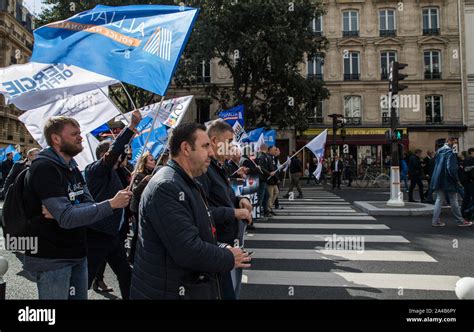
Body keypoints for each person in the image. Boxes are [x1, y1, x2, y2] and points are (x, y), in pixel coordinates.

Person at [130, 122, 251, 299]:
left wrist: (221, 246)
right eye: (205, 146)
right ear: (186, 148)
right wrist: (228, 256)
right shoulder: (167, 187)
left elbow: (198, 230)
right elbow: (187, 250)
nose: (211, 152)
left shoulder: (187, 181)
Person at [23, 116, 132, 299]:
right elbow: (67, 217)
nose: (80, 137)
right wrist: (111, 204)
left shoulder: (72, 167)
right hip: (53, 259)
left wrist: (69, 209)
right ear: (56, 139)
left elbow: (87, 204)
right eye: (74, 134)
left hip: (78, 253)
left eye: (80, 133)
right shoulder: (45, 167)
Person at [84, 110, 142, 300]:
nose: (122, 157)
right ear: (105, 155)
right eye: (118, 155)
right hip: (95, 235)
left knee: (126, 274)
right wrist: (131, 128)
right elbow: (114, 152)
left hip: (113, 236)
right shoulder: (94, 171)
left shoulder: (116, 173)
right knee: (83, 280)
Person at [197, 119, 253, 299]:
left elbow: (226, 198)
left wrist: (240, 199)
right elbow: (201, 212)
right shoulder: (204, 170)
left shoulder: (219, 168)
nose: (233, 146)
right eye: (229, 141)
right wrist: (235, 212)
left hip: (229, 244)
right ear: (214, 141)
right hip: (217, 247)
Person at [430, 137, 472, 227]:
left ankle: (435, 221)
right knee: (454, 201)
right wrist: (456, 180)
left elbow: (435, 164)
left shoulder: (439, 151)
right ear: (450, 141)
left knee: (439, 200)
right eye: (454, 142)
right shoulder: (451, 153)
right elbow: (451, 168)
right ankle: (460, 220)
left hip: (439, 179)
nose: (455, 144)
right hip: (448, 180)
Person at [129, 151, 156, 265]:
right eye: (150, 160)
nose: (154, 161)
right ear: (144, 163)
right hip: (138, 207)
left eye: (154, 159)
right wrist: (145, 181)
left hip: (148, 207)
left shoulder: (154, 173)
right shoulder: (139, 175)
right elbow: (135, 191)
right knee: (138, 232)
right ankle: (132, 256)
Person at [256, 144, 274, 217]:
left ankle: (265, 211)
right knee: (261, 196)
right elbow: (261, 167)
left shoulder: (263, 155)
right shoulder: (262, 156)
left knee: (266, 195)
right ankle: (258, 213)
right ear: (265, 148)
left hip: (263, 179)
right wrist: (269, 173)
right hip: (261, 179)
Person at [266, 146, 279, 215]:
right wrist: (276, 178)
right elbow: (271, 168)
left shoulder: (273, 158)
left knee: (276, 192)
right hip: (270, 179)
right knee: (270, 195)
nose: (275, 151)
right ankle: (269, 209)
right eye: (274, 150)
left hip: (273, 179)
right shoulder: (269, 158)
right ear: (269, 150)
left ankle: (270, 206)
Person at [461, 148, 474, 218]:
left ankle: (464, 212)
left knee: (466, 198)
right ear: (471, 152)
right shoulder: (468, 159)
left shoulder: (468, 159)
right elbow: (466, 169)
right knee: (469, 198)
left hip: (467, 181)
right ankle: (468, 211)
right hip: (469, 181)